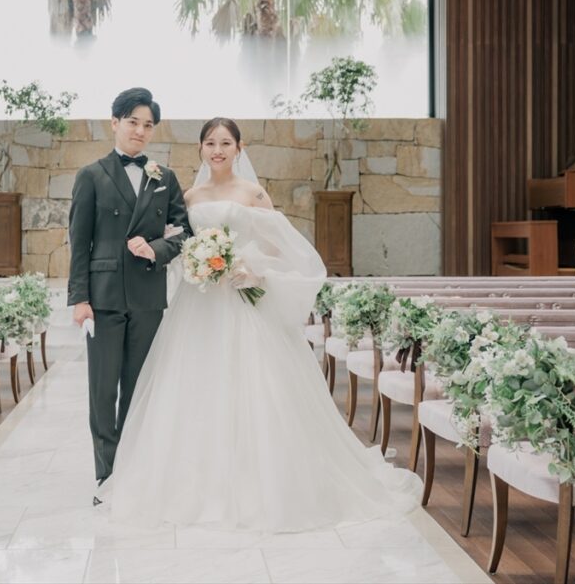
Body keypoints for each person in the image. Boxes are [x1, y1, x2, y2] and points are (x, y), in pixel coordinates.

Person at [96, 117, 422, 532]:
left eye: (225, 143)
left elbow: (282, 249)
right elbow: (177, 244)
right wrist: (189, 260)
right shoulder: (189, 195)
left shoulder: (253, 193)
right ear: (200, 149)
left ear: (239, 148)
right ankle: (194, 484)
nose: (217, 150)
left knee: (256, 386)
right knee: (192, 386)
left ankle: (261, 485)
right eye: (210, 143)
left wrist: (255, 271)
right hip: (198, 305)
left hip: (243, 301)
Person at [67, 87, 191, 495]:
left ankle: (135, 473)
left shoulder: (164, 178)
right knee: (103, 391)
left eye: (148, 125)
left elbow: (183, 233)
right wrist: (80, 299)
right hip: (102, 298)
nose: (140, 130)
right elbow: (79, 243)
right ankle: (107, 476)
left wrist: (155, 249)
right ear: (115, 123)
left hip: (147, 297)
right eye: (133, 122)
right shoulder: (91, 175)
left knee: (139, 389)